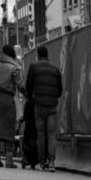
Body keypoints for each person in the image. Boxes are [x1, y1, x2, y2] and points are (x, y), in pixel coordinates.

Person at [0, 43, 26, 168]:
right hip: (8, 99)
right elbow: (20, 85)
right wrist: (27, 94)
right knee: (8, 128)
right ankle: (9, 160)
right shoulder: (14, 68)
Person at [25, 44, 63, 172]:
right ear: (47, 55)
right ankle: (52, 161)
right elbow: (60, 89)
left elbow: (29, 85)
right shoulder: (55, 69)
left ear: (38, 55)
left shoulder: (33, 67)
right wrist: (53, 98)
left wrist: (31, 98)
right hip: (52, 106)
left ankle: (41, 161)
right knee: (51, 134)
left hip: (39, 105)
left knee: (41, 134)